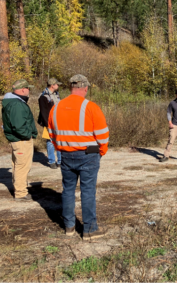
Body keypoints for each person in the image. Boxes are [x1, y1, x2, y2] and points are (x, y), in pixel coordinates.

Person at [48, 74, 109, 239]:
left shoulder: (56, 107)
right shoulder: (90, 107)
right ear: (86, 88)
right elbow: (103, 136)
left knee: (67, 190)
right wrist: (101, 151)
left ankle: (69, 226)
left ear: (70, 88)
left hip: (66, 154)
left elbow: (52, 133)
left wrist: (60, 148)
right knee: (87, 191)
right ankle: (89, 229)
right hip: (89, 154)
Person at [1, 79, 38, 200]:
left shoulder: (12, 102)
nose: (29, 91)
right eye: (28, 88)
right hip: (21, 140)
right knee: (22, 166)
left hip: (17, 139)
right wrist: (28, 135)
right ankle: (21, 193)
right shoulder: (17, 104)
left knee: (18, 165)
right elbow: (18, 126)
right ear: (23, 89)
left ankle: (19, 188)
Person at [38, 78, 62, 169]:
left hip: (58, 121)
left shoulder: (56, 94)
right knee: (50, 142)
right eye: (57, 84)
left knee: (59, 140)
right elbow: (44, 112)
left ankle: (60, 161)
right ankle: (52, 162)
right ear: (52, 85)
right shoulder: (43, 96)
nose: (58, 86)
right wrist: (47, 125)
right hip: (48, 122)